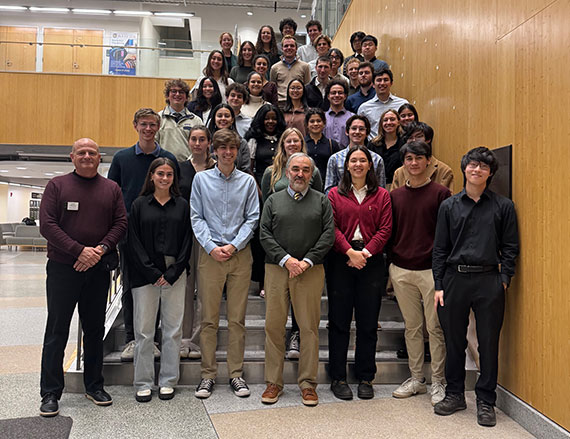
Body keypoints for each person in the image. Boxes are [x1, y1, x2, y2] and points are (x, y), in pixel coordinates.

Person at [39, 138, 127, 417]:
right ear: (72, 157)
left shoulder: (111, 188)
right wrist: (79, 251)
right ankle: (50, 392)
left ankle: (94, 385)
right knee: (56, 330)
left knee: (94, 330)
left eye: (92, 152)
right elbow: (48, 225)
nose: (87, 156)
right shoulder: (57, 186)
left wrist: (99, 250)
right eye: (82, 152)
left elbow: (121, 223)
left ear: (100, 158)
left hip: (97, 270)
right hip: (63, 269)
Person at [433, 147, 519, 427]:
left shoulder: (503, 207)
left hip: (489, 281)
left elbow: (510, 247)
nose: (477, 169)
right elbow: (440, 248)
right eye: (473, 165)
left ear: (490, 173)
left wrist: (504, 279)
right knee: (454, 341)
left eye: (483, 166)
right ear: (464, 168)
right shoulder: (448, 206)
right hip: (453, 280)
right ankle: (455, 394)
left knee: (488, 343)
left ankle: (486, 400)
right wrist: (438, 284)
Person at [260, 152, 335, 406]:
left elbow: (328, 234)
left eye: (305, 169)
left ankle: (307, 384)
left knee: (309, 328)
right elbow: (264, 234)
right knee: (274, 326)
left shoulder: (322, 201)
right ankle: (273, 382)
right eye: (295, 169)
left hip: (310, 270)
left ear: (312, 174)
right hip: (277, 269)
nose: (300, 174)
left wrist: (306, 261)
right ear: (287, 172)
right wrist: (286, 260)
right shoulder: (273, 200)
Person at [191, 129, 260, 399]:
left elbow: (252, 218)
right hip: (210, 256)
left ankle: (235, 374)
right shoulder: (201, 180)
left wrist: (233, 246)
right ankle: (207, 375)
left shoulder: (247, 182)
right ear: (214, 150)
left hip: (240, 255)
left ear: (237, 150)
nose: (227, 152)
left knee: (237, 319)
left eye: (232, 148)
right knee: (208, 319)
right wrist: (211, 246)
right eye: (222, 148)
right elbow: (196, 217)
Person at [108, 108, 179, 363]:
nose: (148, 129)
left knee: (159, 287)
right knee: (131, 287)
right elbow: (112, 195)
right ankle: (131, 339)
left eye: (153, 125)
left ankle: (155, 340)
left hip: (161, 236)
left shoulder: (167, 158)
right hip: (130, 235)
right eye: (144, 124)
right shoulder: (122, 158)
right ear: (135, 125)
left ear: (158, 127)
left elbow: (176, 195)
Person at [388, 141, 451, 406]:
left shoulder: (442, 194)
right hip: (401, 270)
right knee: (412, 328)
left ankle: (438, 380)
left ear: (428, 162)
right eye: (409, 158)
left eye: (419, 158)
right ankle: (417, 379)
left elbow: (448, 235)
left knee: (435, 328)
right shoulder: (395, 196)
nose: (414, 163)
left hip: (431, 272)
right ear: (404, 163)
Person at [327, 145, 392, 401]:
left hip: (371, 262)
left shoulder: (382, 195)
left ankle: (365, 376)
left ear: (369, 165)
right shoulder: (334, 194)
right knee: (339, 322)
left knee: (367, 323)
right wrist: (349, 253)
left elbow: (386, 229)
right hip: (341, 260)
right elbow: (330, 227)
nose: (357, 165)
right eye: (353, 160)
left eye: (362, 160)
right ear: (346, 165)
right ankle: (338, 377)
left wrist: (365, 253)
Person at [128, 157, 191, 403]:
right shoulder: (139, 204)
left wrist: (174, 271)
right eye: (160, 174)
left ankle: (168, 381)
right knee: (144, 331)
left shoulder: (182, 205)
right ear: (151, 176)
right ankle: (143, 382)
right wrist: (152, 272)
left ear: (174, 178)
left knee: (173, 330)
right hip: (145, 274)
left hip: (175, 272)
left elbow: (188, 240)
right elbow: (132, 242)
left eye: (169, 174)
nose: (165, 178)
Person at [178, 126, 216, 360]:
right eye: (194, 139)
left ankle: (198, 339)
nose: (198, 143)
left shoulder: (216, 169)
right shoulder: (180, 168)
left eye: (202, 139)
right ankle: (182, 340)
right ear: (189, 142)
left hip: (209, 235)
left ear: (209, 142)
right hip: (184, 234)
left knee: (205, 289)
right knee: (184, 287)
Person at [325, 115, 386, 193]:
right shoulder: (335, 159)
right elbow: (329, 190)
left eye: (361, 129)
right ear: (347, 132)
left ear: (367, 133)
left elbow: (381, 189)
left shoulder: (377, 159)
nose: (357, 132)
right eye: (354, 128)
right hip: (341, 202)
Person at [261, 127, 323, 201]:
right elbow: (266, 202)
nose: (292, 144)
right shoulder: (271, 171)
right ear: (283, 144)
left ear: (301, 143)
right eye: (289, 141)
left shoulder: (313, 171)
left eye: (296, 141)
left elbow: (318, 199)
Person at [391, 121, 454, 191]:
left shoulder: (444, 171)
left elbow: (446, 200)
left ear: (428, 140)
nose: (414, 141)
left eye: (419, 137)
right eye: (410, 138)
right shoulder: (399, 173)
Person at [156, 79, 203, 162]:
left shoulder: (196, 121)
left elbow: (201, 146)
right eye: (174, 91)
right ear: (167, 95)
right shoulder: (158, 118)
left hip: (188, 166)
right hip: (164, 166)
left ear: (186, 97)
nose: (177, 94)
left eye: (181, 92)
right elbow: (154, 144)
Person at [358, 68, 409, 139]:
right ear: (373, 84)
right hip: (374, 147)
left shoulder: (402, 104)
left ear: (391, 83)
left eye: (385, 80)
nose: (382, 83)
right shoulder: (364, 108)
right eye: (379, 80)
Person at [244, 103, 287, 184]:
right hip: (261, 184)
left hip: (282, 184)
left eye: (274, 119)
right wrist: (258, 191)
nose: (270, 121)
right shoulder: (254, 140)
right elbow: (249, 169)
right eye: (266, 118)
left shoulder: (284, 139)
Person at [206, 103, 251, 172]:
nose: (223, 118)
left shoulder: (241, 143)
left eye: (227, 116)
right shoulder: (207, 142)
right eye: (219, 116)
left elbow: (245, 168)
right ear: (214, 119)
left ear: (232, 119)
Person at [270, 36, 311, 109]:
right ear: (282, 49)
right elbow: (273, 89)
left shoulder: (305, 66)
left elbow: (307, 88)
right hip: (280, 106)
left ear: (296, 48)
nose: (289, 48)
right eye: (286, 46)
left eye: (292, 46)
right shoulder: (274, 68)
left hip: (298, 105)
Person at [368, 109, 405, 186]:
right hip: (376, 186)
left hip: (398, 185)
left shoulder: (405, 144)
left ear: (398, 122)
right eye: (385, 120)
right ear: (381, 124)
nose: (388, 122)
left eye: (392, 119)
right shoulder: (372, 144)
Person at [304, 107, 340, 180]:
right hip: (305, 182)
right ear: (307, 124)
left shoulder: (332, 144)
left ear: (324, 123)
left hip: (325, 184)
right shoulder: (301, 143)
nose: (315, 124)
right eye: (312, 121)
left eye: (319, 121)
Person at [324, 79, 354, 148]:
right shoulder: (322, 118)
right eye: (333, 93)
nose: (337, 95)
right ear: (328, 96)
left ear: (345, 96)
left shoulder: (352, 118)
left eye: (340, 93)